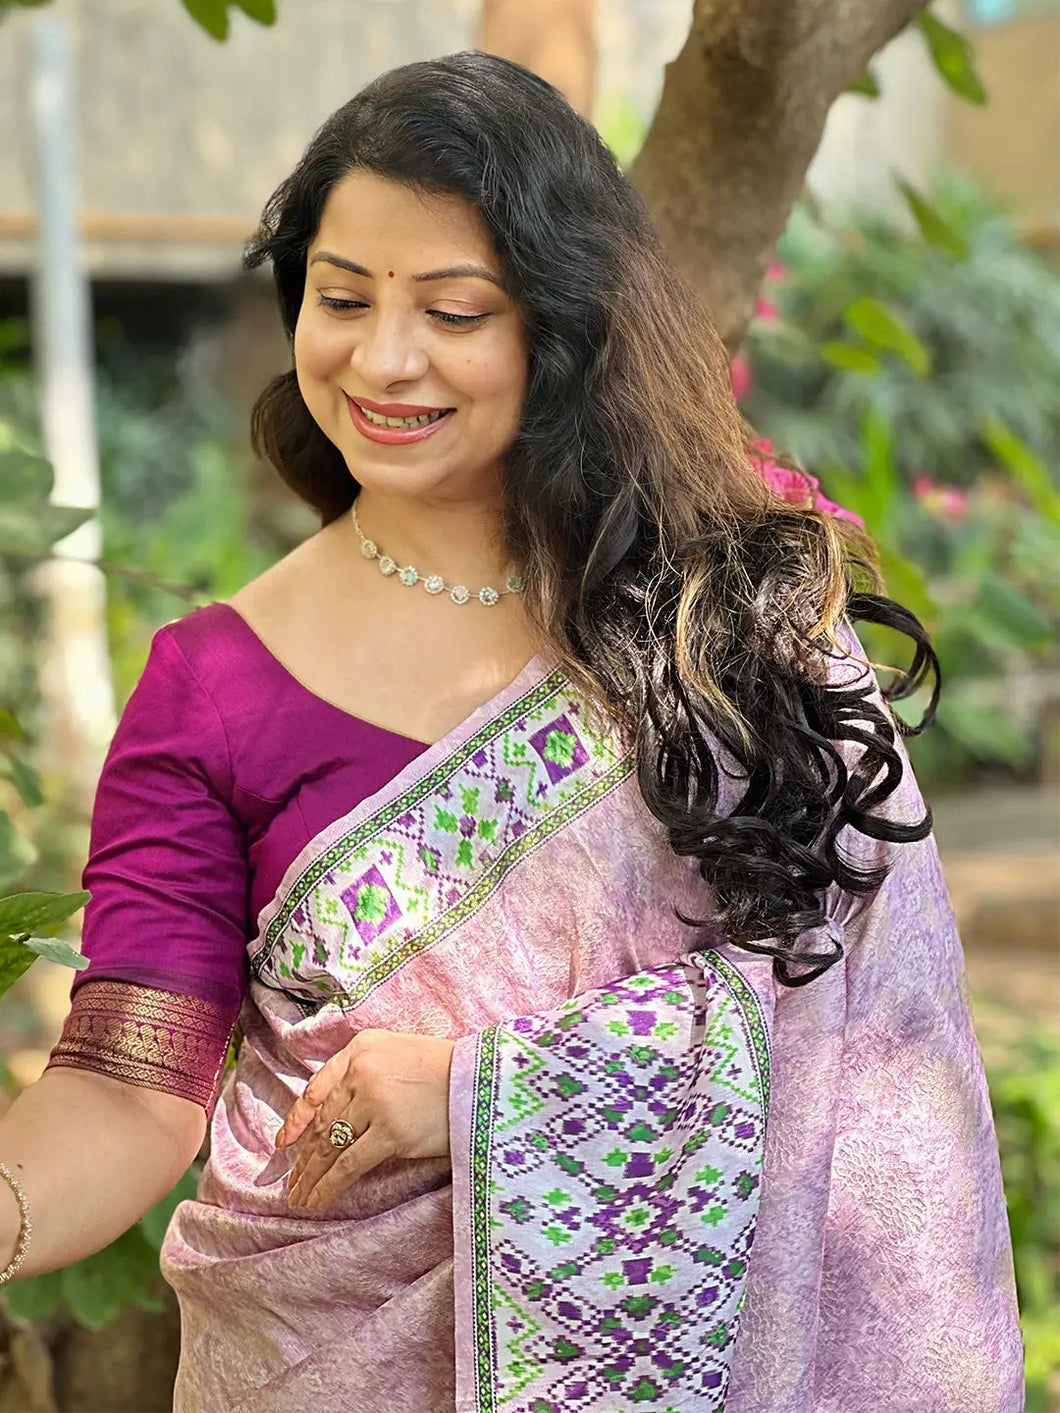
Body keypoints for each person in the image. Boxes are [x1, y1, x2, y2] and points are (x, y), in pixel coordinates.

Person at [0, 51, 1022, 1413]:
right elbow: (133, 1082)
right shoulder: (214, 685)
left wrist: (475, 1093)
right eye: (342, 297)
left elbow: (867, 1034)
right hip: (319, 1365)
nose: (384, 357)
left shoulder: (728, 613)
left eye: (454, 309)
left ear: (560, 320)